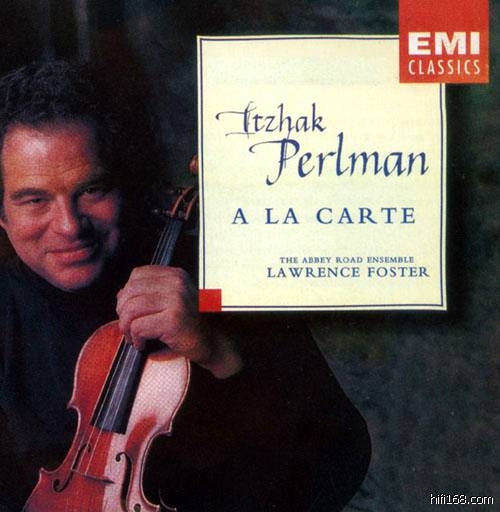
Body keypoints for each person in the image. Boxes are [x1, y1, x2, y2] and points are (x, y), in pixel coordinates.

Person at [0, 60, 370, 512]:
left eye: (92, 190)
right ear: (2, 214)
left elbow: (341, 461)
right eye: (35, 200)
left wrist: (218, 352)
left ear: (121, 184)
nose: (69, 225)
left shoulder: (216, 275)